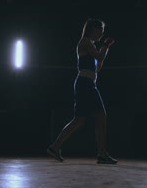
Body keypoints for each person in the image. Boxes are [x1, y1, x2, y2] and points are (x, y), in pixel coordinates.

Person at [47, 19, 117, 164]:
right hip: (86, 84)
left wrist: (105, 48)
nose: (101, 34)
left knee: (79, 120)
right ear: (93, 29)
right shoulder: (85, 41)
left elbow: (98, 67)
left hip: (88, 84)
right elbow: (99, 56)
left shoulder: (90, 45)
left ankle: (55, 147)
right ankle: (102, 154)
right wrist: (105, 45)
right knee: (100, 116)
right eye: (100, 31)